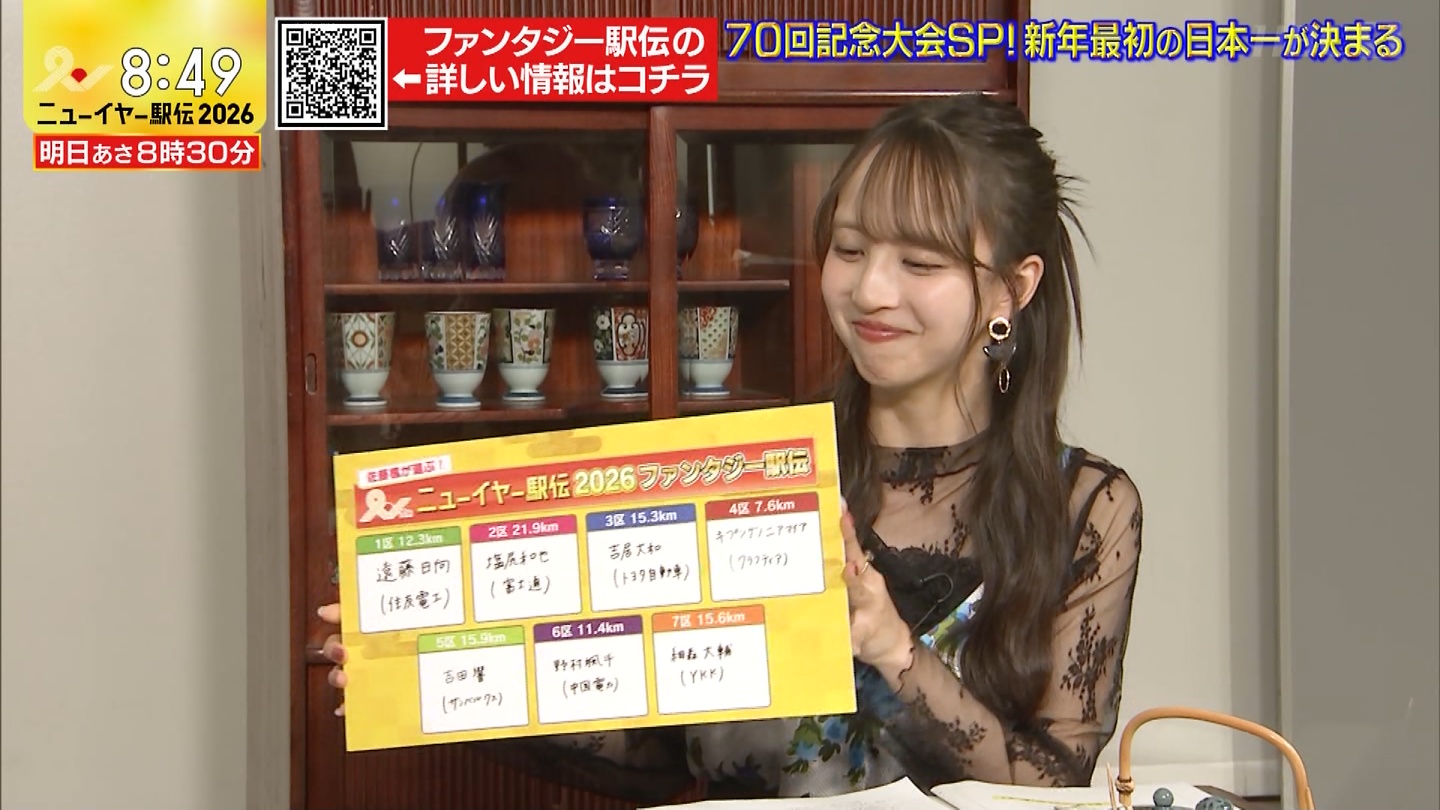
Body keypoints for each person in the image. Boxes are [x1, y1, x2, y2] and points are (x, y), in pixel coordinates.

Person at [317, 93, 1143, 803]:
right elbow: (654, 746)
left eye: (919, 262)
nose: (869, 290)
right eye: (850, 249)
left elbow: (1053, 788)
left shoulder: (1088, 510)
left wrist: (892, 650)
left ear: (1012, 287)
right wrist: (425, 670)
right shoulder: (747, 472)